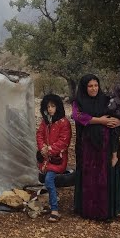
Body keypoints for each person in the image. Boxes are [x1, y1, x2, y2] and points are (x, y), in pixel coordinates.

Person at [72, 74, 120, 220]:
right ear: (85, 87)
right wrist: (100, 121)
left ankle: (105, 211)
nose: (93, 88)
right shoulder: (78, 101)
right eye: (90, 86)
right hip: (88, 146)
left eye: (96, 85)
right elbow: (77, 116)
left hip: (106, 145)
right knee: (90, 176)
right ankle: (89, 210)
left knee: (105, 176)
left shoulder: (106, 99)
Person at [36, 93, 72, 222]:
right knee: (47, 180)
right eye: (48, 106)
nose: (50, 109)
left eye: (53, 106)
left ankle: (55, 210)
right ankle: (50, 202)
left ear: (58, 107)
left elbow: (64, 142)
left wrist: (49, 149)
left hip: (57, 159)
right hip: (46, 159)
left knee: (49, 181)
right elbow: (39, 135)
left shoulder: (64, 123)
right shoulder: (45, 122)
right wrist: (42, 148)